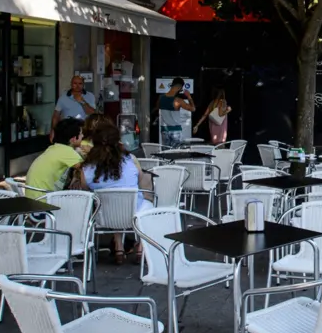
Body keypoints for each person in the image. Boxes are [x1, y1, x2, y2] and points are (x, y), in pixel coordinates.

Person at [80, 119, 150, 263]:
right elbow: (140, 177)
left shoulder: (87, 168)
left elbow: (85, 189)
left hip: (104, 216)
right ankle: (141, 248)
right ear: (118, 141)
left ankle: (119, 247)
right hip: (134, 213)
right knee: (147, 203)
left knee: (112, 204)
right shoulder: (129, 160)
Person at [25, 118, 84, 197]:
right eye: (81, 134)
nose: (83, 136)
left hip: (33, 197)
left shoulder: (53, 148)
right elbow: (87, 170)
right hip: (44, 200)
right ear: (73, 139)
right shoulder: (67, 151)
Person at [158, 78, 195, 147]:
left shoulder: (161, 98)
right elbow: (193, 109)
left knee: (165, 154)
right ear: (179, 87)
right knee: (176, 153)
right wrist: (189, 97)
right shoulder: (178, 101)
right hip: (175, 130)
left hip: (164, 130)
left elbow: (158, 107)